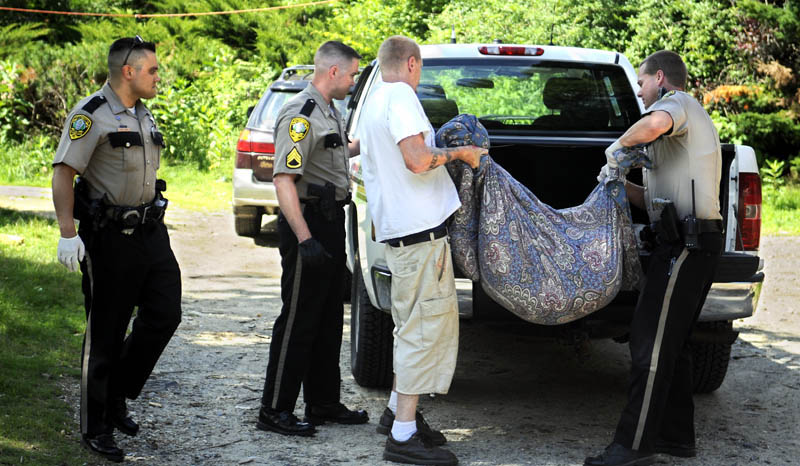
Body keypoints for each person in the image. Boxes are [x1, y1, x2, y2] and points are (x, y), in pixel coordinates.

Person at [585, 50, 724, 466]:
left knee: (649, 343)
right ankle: (675, 439)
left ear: (660, 78)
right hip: (684, 242)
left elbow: (655, 122)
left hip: (688, 245)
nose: (641, 93)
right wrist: (616, 181)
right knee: (673, 344)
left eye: (642, 83)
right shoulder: (672, 134)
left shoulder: (676, 104)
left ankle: (631, 446)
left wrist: (617, 146)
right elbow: (655, 200)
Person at [357, 35, 487, 465]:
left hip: (401, 234)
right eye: (421, 67)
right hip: (419, 238)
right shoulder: (401, 98)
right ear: (411, 64)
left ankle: (398, 412)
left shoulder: (376, 98)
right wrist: (462, 153)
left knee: (408, 327)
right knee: (422, 332)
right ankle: (402, 436)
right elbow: (416, 159)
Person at [51, 36, 181, 463]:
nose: (159, 77)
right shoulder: (91, 115)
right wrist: (68, 232)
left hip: (149, 231)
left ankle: (117, 392)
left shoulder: (142, 113)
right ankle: (96, 424)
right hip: (108, 238)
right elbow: (64, 172)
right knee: (105, 332)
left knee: (165, 312)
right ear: (129, 72)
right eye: (153, 70)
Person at [256, 40, 368, 437]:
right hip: (309, 224)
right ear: (334, 72)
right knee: (299, 318)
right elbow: (284, 179)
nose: (355, 81)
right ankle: (274, 409)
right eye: (353, 73)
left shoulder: (328, 111)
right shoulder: (300, 114)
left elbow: (336, 153)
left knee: (326, 317)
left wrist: (372, 142)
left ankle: (322, 402)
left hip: (331, 220)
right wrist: (305, 240)